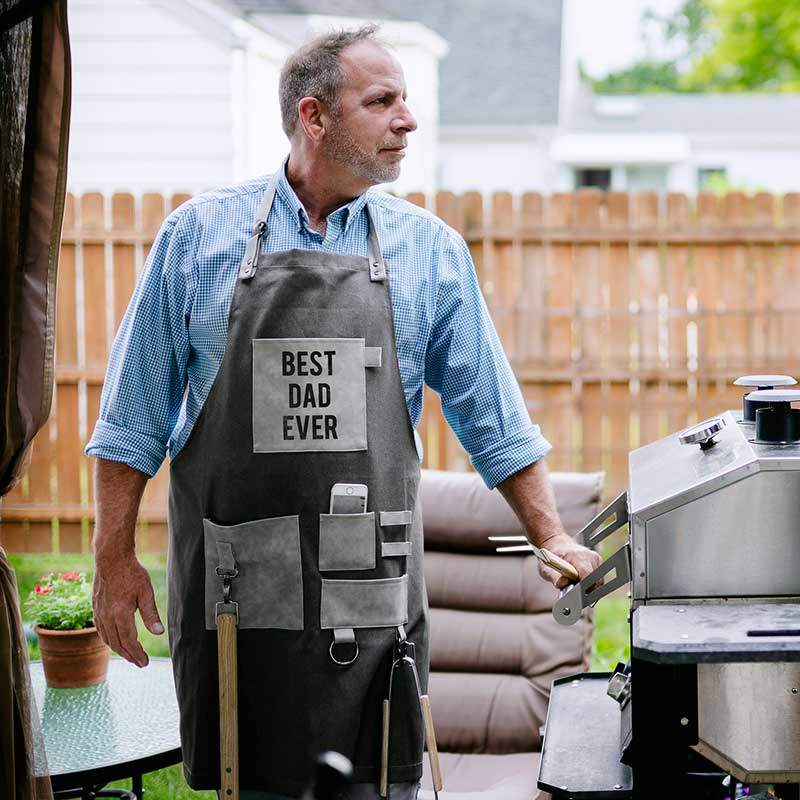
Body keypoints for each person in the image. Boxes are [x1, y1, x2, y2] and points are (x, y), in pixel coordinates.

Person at [86, 24, 601, 800]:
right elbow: (132, 416)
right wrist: (112, 558)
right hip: (238, 601)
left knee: (378, 780)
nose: (408, 120)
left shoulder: (428, 250)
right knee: (245, 776)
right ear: (315, 116)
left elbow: (493, 416)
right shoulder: (198, 237)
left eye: (405, 100)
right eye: (382, 100)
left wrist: (549, 532)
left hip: (372, 601)